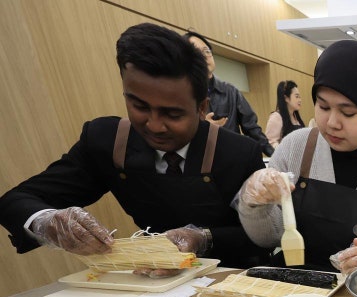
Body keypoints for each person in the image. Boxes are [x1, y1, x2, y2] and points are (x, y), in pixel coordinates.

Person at [0, 23, 266, 271]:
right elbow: (15, 200)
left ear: (201, 108)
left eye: (172, 114)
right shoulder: (108, 141)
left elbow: (262, 236)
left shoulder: (239, 153)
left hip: (230, 275)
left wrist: (202, 237)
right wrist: (47, 221)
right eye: (139, 106)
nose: (154, 125)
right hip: (148, 281)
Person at [235, 40, 357, 273]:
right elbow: (268, 238)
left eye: (348, 112)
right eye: (323, 107)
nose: (332, 123)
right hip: (291, 291)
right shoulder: (295, 147)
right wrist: (255, 203)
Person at [184, 31, 274, 157]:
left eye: (207, 51)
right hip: (198, 161)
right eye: (197, 53)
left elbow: (252, 129)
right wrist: (201, 127)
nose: (204, 56)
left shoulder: (230, 91)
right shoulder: (181, 94)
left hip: (232, 159)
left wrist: (274, 156)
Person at [266, 80, 305, 149]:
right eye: (297, 96)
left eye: (299, 97)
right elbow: (270, 142)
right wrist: (285, 153)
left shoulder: (295, 116)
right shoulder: (276, 117)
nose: (300, 100)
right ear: (286, 98)